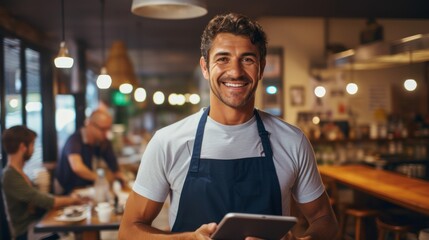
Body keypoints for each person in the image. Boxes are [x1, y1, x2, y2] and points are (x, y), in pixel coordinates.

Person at [119, 13, 338, 240]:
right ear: (205, 67)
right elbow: (128, 232)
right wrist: (186, 239)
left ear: (261, 68)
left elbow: (325, 222)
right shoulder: (168, 142)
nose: (235, 72)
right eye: (223, 59)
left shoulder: (292, 141)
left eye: (247, 59)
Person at [1, 125, 83, 240]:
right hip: (26, 232)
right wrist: (72, 199)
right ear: (23, 147)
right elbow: (43, 200)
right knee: (70, 235)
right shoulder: (10, 175)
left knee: (72, 229)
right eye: (32, 144)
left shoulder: (18, 172)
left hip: (36, 225)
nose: (34, 149)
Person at [55, 109, 124, 195]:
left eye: (108, 129)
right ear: (90, 124)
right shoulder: (75, 140)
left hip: (85, 189)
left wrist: (120, 178)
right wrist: (100, 179)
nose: (106, 133)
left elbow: (114, 166)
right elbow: (77, 167)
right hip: (67, 190)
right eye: (102, 129)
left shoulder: (103, 141)